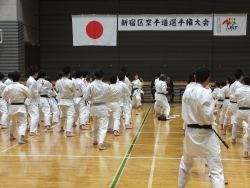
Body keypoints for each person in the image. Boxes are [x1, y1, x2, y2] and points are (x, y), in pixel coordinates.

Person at [178, 67, 225, 188]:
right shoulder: (205, 93)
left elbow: (186, 112)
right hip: (206, 134)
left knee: (186, 164)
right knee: (216, 170)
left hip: (190, 133)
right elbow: (207, 117)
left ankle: (180, 186)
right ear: (208, 79)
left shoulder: (187, 91)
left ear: (195, 78)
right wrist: (212, 114)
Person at [83, 69, 110, 150]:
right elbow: (109, 96)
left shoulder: (91, 85)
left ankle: (95, 140)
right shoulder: (107, 86)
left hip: (94, 107)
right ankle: (100, 144)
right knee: (103, 127)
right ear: (103, 76)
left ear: (94, 76)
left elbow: (85, 97)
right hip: (103, 107)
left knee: (95, 125)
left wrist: (93, 99)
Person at [2, 71, 32, 144]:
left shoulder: (8, 87)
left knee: (13, 122)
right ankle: (20, 138)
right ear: (19, 78)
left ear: (11, 78)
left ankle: (11, 135)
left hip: (12, 106)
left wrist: (9, 99)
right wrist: (24, 97)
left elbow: (3, 96)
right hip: (21, 106)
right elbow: (30, 95)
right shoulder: (22, 86)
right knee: (23, 123)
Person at [56, 67, 77, 137]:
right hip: (69, 100)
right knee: (70, 116)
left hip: (61, 101)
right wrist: (73, 95)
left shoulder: (58, 81)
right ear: (69, 74)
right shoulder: (70, 82)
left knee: (62, 115)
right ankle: (68, 132)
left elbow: (57, 89)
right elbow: (75, 91)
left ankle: (61, 127)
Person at [233, 76, 250, 157]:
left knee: (236, 125)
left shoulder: (238, 90)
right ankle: (246, 152)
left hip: (240, 110)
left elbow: (235, 99)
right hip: (249, 111)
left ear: (243, 82)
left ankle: (233, 139)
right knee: (248, 130)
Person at [223, 69, 243, 137]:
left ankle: (224, 131)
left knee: (227, 116)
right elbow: (240, 95)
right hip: (236, 104)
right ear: (241, 76)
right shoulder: (240, 85)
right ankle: (234, 135)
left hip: (230, 103)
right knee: (236, 118)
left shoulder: (231, 85)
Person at [25, 66, 40, 135]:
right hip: (32, 100)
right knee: (35, 116)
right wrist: (38, 92)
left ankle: (31, 128)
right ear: (35, 73)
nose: (37, 74)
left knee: (33, 115)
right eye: (37, 73)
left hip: (31, 99)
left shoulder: (30, 80)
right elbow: (30, 91)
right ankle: (33, 131)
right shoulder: (32, 81)